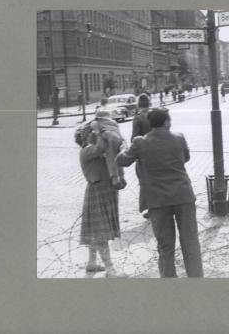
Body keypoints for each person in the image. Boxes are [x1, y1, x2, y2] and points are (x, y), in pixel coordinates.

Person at [117, 108, 204, 278]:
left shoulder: (140, 142)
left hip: (158, 201)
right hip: (183, 196)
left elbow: (122, 160)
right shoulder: (179, 138)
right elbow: (185, 158)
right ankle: (196, 279)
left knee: (165, 245)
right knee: (191, 242)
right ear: (166, 122)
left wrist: (123, 148)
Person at [74, 121, 126, 278]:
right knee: (101, 232)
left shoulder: (92, 150)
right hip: (98, 192)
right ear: (86, 137)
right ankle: (110, 268)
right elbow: (102, 146)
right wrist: (102, 131)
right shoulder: (87, 150)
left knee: (96, 230)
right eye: (92, 133)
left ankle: (92, 262)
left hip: (102, 192)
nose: (95, 135)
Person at [131, 94, 153, 218]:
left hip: (143, 155)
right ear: (149, 104)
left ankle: (150, 208)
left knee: (145, 182)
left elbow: (134, 137)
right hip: (156, 151)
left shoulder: (138, 118)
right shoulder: (154, 115)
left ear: (139, 105)